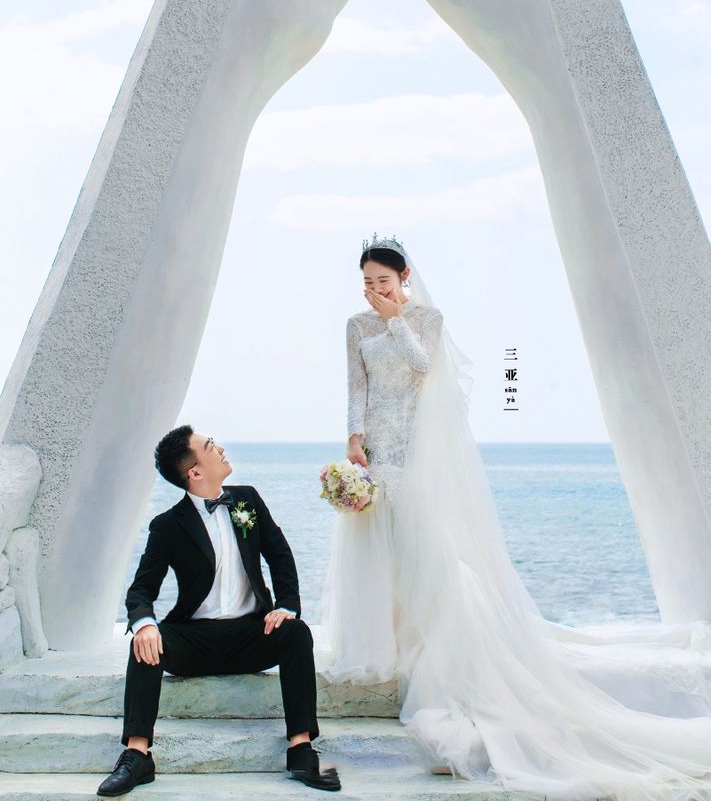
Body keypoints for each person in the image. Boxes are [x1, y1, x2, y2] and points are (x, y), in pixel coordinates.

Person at [319, 233, 711, 801]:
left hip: (417, 451)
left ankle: (428, 638)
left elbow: (424, 367)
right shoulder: (355, 326)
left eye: (384, 280)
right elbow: (356, 386)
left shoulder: (427, 319)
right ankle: (377, 641)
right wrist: (354, 438)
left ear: (404, 278)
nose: (375, 290)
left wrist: (396, 320)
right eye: (367, 283)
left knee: (419, 547)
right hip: (375, 449)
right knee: (375, 545)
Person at [97, 425, 340, 797]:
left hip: (252, 635)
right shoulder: (168, 526)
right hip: (196, 641)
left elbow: (279, 555)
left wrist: (287, 606)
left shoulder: (247, 501)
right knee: (144, 642)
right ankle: (137, 755)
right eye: (210, 446)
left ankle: (301, 749)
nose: (221, 447)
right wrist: (144, 624)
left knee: (296, 632)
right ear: (195, 472)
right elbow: (142, 589)